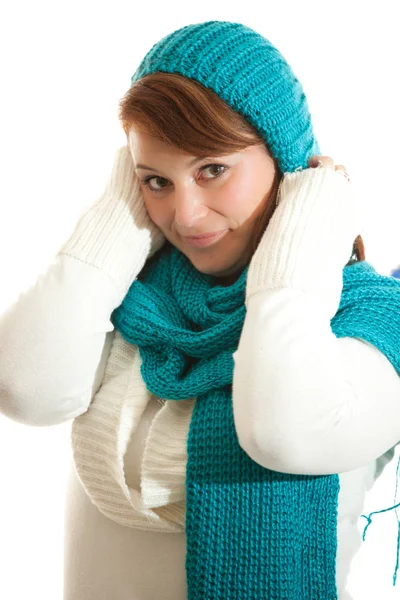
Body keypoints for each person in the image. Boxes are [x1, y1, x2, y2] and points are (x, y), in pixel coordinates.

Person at [1, 19, 400, 600]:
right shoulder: (132, 302)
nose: (185, 216)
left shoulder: (373, 320)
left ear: (287, 162)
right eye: (156, 181)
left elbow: (283, 433)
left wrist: (300, 240)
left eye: (212, 170)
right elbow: (25, 389)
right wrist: (119, 213)